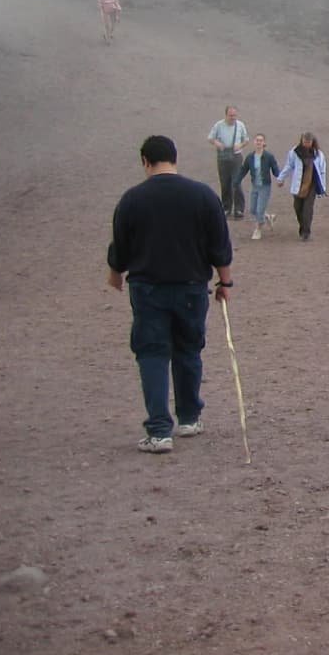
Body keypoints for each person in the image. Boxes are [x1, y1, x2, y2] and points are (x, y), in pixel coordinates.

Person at [106, 135, 234, 454]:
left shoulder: (133, 199)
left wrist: (115, 274)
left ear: (145, 162)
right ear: (175, 159)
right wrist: (225, 283)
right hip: (191, 287)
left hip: (148, 288)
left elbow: (120, 244)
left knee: (152, 354)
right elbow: (220, 244)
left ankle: (159, 430)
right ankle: (189, 418)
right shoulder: (203, 195)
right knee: (188, 350)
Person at [277, 132, 327, 241]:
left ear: (312, 142)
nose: (306, 144)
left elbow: (322, 171)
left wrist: (323, 187)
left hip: (312, 184)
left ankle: (306, 232)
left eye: (308, 142)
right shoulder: (295, 152)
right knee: (297, 207)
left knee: (307, 208)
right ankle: (303, 226)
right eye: (304, 142)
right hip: (299, 184)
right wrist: (281, 178)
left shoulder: (318, 154)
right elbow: (289, 166)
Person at [234, 133, 281, 240]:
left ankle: (258, 229)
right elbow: (243, 170)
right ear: (254, 142)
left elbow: (275, 169)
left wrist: (280, 178)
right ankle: (269, 217)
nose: (258, 142)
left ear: (264, 143)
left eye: (261, 140)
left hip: (265, 186)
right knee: (253, 209)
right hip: (255, 185)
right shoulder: (250, 157)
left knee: (260, 210)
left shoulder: (268, 156)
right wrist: (237, 181)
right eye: (257, 140)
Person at [207, 106, 249, 219]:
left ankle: (239, 209)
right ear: (226, 115)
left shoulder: (240, 125)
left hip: (236, 157)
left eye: (234, 115)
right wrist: (217, 143)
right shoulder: (219, 125)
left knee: (236, 182)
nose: (233, 118)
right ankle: (226, 208)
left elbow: (246, 140)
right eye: (231, 115)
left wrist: (240, 145)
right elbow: (210, 138)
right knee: (225, 183)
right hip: (223, 157)